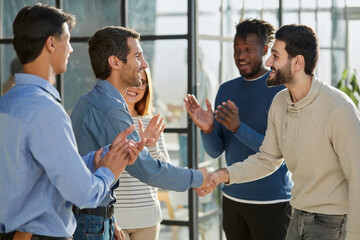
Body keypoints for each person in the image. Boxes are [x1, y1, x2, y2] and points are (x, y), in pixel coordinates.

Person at [0, 3, 143, 240]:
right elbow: (84, 194)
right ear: (51, 43)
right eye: (67, 40)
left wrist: (104, 156)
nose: (71, 49)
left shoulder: (8, 102)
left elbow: (38, 175)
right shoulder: (45, 109)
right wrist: (110, 170)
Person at [206, 24, 360, 240]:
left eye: (275, 56)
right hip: (298, 214)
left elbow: (358, 177)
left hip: (333, 222)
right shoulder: (280, 102)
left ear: (297, 63)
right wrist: (224, 174)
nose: (268, 62)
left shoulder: (339, 108)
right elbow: (268, 158)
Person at [70, 26, 209, 240]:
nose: (144, 64)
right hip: (90, 220)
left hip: (93, 217)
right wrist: (198, 178)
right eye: (137, 56)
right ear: (115, 62)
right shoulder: (110, 108)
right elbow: (146, 169)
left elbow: (92, 167)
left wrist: (108, 218)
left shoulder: (90, 100)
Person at [184, 19, 293, 240]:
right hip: (232, 200)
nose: (240, 55)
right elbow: (215, 152)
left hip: (271, 203)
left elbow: (278, 152)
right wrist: (208, 130)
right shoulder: (226, 90)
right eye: (236, 49)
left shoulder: (280, 91)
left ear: (264, 50)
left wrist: (237, 127)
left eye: (247, 49)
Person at [113, 68, 169, 240]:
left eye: (142, 82)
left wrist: (151, 146)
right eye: (132, 79)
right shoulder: (109, 121)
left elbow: (166, 171)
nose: (135, 86)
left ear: (147, 88)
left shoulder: (151, 123)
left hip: (148, 220)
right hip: (117, 219)